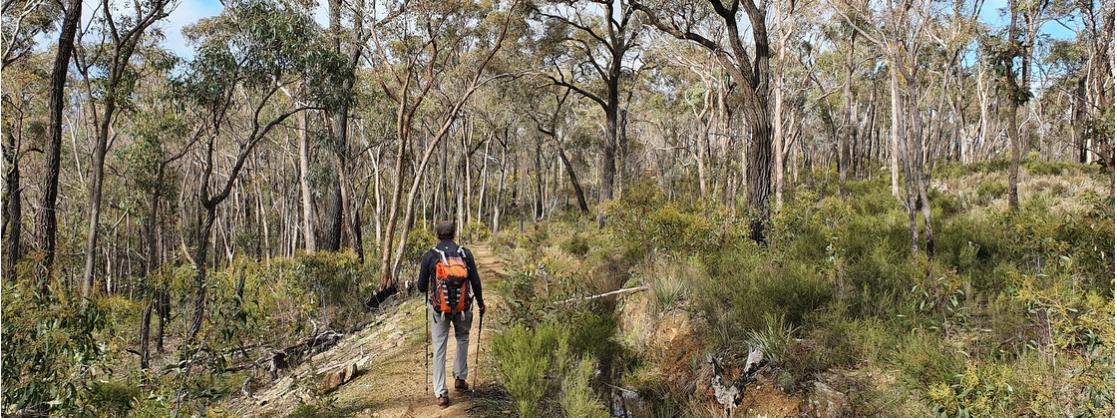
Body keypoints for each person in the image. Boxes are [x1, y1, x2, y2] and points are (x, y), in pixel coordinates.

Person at [416, 221, 485, 408]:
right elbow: (476, 282)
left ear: (437, 234)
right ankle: (460, 378)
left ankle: (441, 394)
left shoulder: (431, 255)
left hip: (440, 310)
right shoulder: (464, 253)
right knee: (462, 338)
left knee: (439, 347)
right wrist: (480, 303)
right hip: (463, 307)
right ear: (454, 233)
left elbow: (421, 286)